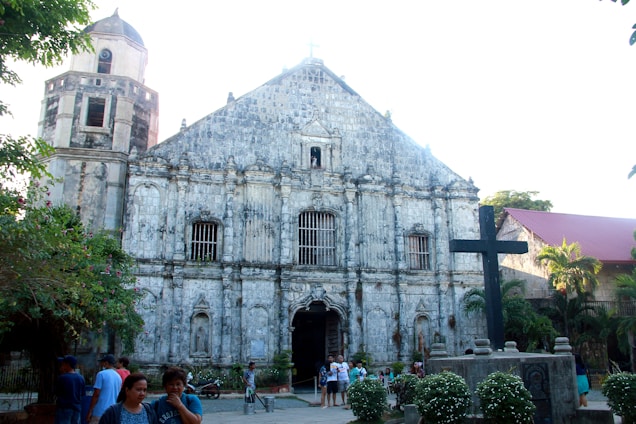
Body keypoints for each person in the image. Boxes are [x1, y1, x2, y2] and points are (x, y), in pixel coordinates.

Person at [87, 354, 122, 424]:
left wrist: (90, 410)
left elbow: (96, 394)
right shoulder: (118, 377)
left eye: (102, 362)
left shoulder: (101, 374)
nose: (101, 364)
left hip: (100, 411)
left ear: (106, 363)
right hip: (112, 410)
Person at [54, 355, 85, 424]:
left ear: (67, 365)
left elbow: (57, 392)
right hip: (76, 408)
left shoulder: (62, 378)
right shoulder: (81, 378)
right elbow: (82, 394)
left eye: (63, 364)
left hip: (64, 408)